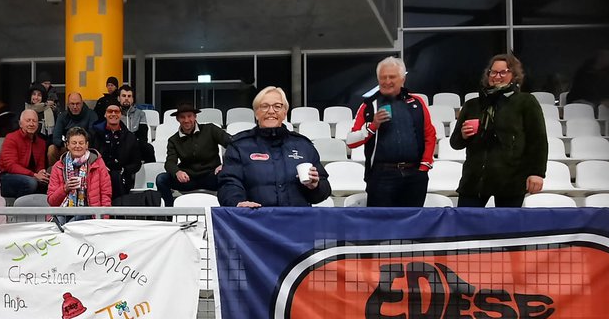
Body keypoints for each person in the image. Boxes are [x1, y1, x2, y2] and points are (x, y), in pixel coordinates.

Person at [450, 53, 547, 208]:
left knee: (506, 229)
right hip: (474, 180)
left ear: (514, 75)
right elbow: (455, 143)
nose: (497, 76)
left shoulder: (525, 102)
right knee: (466, 226)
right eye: (493, 72)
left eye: (503, 72)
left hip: (511, 179)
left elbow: (538, 140)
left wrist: (537, 173)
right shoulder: (472, 105)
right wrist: (463, 135)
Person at [345, 57, 437, 207]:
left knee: (413, 225)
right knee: (380, 225)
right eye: (383, 77)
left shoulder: (417, 102)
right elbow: (351, 141)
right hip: (381, 176)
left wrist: (424, 167)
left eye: (392, 77)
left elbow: (429, 135)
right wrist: (373, 125)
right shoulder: (368, 106)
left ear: (403, 79)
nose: (387, 81)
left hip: (415, 174)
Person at [218, 86, 332, 207]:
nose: (271, 111)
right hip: (255, 220)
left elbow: (323, 189)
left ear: (284, 113)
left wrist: (315, 186)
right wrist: (237, 203)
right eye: (265, 106)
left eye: (277, 106)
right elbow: (229, 183)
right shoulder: (239, 146)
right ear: (256, 113)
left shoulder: (303, 145)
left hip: (298, 221)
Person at [157, 103, 233, 206]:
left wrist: (225, 165)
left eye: (189, 116)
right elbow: (170, 162)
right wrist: (177, 172)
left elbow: (233, 144)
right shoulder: (173, 140)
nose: (186, 120)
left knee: (229, 175)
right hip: (188, 178)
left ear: (195, 116)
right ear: (178, 119)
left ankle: (226, 213)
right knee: (161, 179)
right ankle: (170, 213)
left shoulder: (210, 129)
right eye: (182, 117)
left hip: (212, 175)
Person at [46, 127, 112, 224]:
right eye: (74, 143)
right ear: (67, 145)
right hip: (63, 211)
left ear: (87, 145)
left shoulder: (98, 163)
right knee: (54, 226)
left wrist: (104, 221)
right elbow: (51, 201)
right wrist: (65, 189)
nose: (77, 146)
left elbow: (106, 194)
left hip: (89, 212)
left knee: (70, 226)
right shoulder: (58, 166)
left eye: (81, 143)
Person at [90, 102, 142, 199]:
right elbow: (89, 155)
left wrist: (124, 170)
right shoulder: (94, 134)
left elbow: (136, 163)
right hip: (97, 174)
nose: (113, 114)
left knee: (115, 177)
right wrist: (101, 167)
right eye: (110, 111)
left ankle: (118, 213)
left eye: (116, 111)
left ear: (120, 114)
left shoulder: (130, 137)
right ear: (105, 114)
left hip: (121, 176)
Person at [0, 109, 50, 200]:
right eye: (28, 120)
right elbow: (10, 166)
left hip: (31, 176)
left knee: (50, 181)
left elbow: (40, 166)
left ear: (38, 125)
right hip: (7, 176)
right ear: (20, 124)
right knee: (30, 183)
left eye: (34, 121)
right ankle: (19, 210)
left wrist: (41, 173)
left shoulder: (41, 143)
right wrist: (34, 175)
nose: (31, 124)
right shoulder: (11, 138)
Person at [50, 92, 97, 166]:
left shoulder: (91, 115)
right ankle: (56, 172)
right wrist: (68, 145)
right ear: (68, 104)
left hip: (85, 148)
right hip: (68, 147)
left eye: (77, 104)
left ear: (82, 103)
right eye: (72, 104)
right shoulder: (62, 116)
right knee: (51, 149)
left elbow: (93, 134)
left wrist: (79, 144)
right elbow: (56, 137)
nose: (75, 107)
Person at [117, 83, 154, 163]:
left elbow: (143, 136)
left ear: (132, 99)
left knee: (148, 148)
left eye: (129, 96)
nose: (126, 98)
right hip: (118, 145)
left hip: (135, 145)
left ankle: (150, 172)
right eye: (124, 96)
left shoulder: (140, 114)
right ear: (119, 98)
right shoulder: (114, 114)